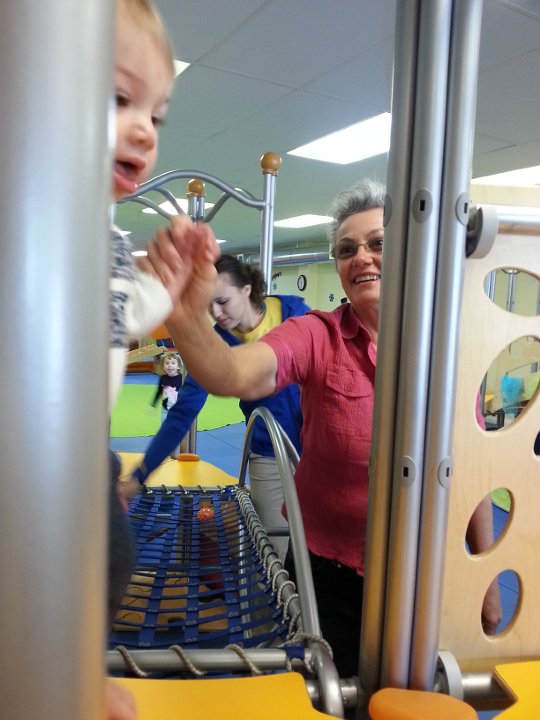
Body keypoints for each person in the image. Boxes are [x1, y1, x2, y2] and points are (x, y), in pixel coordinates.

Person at [151, 180, 502, 678]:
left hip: (425, 571)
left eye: (378, 243)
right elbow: (233, 373)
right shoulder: (317, 334)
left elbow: (469, 462)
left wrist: (487, 581)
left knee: (411, 693)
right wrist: (183, 313)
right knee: (323, 690)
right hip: (328, 572)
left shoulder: (449, 346)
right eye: (346, 249)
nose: (361, 257)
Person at [104, 2, 219, 717]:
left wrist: (167, 287)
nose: (146, 129)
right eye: (119, 98)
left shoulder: (111, 237)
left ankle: (71, 662)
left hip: (77, 455)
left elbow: (125, 314)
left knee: (110, 557)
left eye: (156, 113)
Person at [122, 254, 310, 561]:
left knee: (319, 541)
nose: (217, 314)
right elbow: (183, 412)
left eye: (223, 301)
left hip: (316, 446)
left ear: (246, 289)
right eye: (209, 306)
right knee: (277, 547)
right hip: (268, 453)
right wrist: (140, 475)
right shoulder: (215, 348)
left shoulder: (296, 314)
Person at [151, 351, 183, 419]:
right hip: (165, 410)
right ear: (163, 366)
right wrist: (153, 404)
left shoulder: (182, 379)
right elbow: (159, 392)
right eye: (167, 363)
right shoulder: (163, 378)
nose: (170, 365)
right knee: (165, 424)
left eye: (173, 363)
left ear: (178, 366)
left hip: (179, 410)